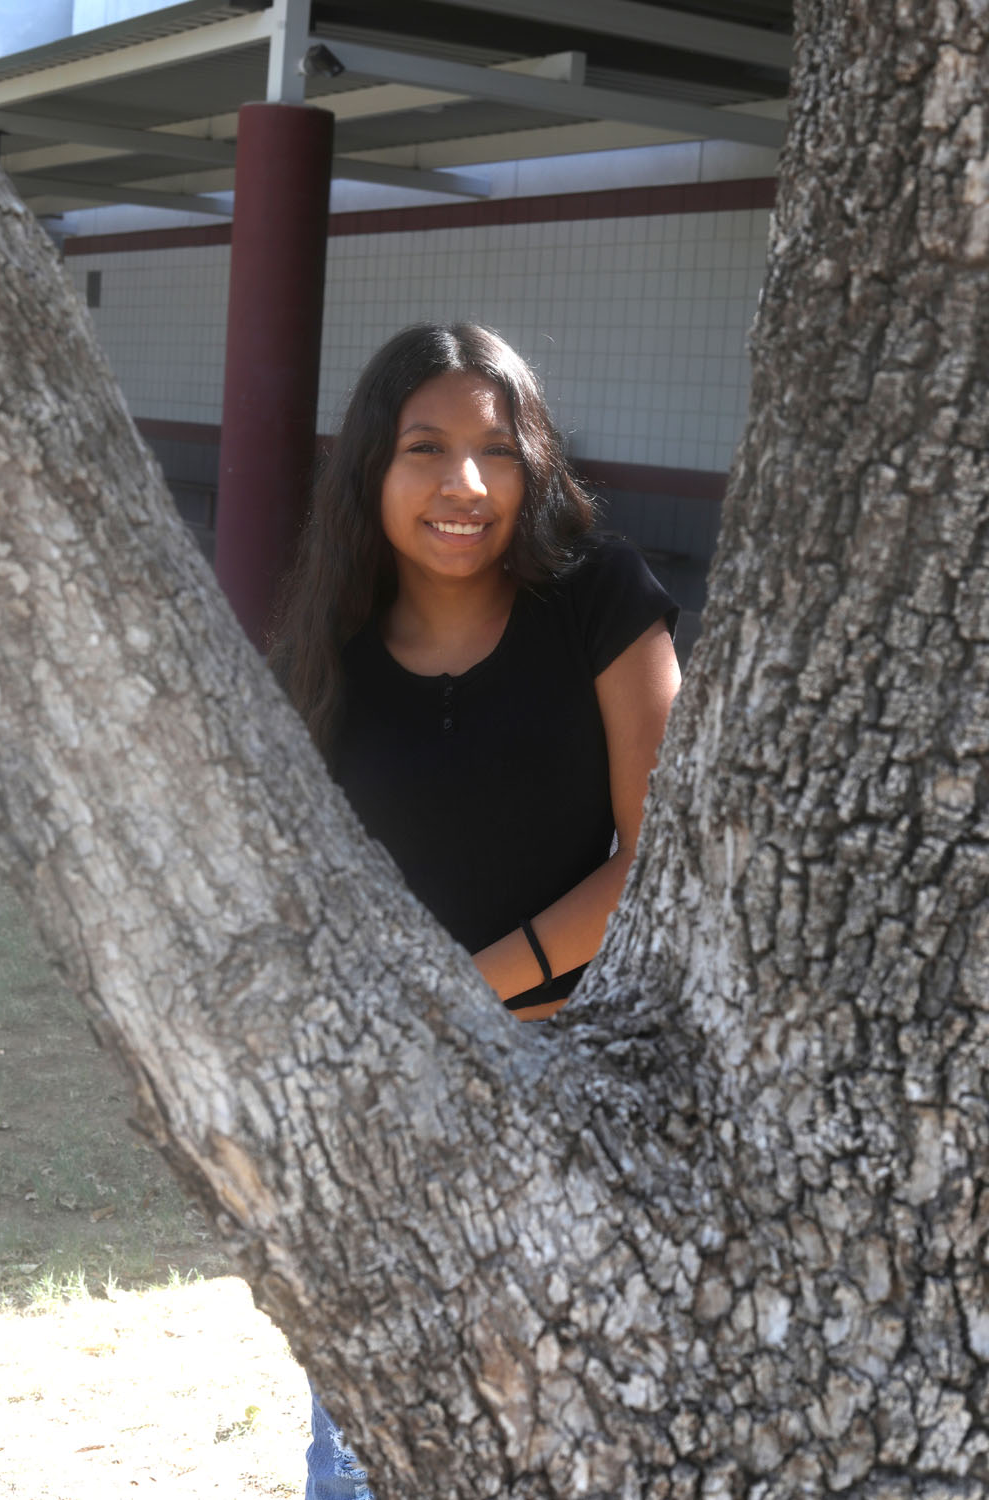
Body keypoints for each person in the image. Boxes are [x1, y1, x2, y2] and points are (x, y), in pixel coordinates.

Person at [270, 322, 681, 1497]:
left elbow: (666, 861)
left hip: (572, 1091)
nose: (463, 484)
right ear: (370, 471)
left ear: (533, 465)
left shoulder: (598, 595)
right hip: (384, 1106)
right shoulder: (329, 644)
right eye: (424, 447)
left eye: (496, 451)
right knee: (363, 1449)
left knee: (558, 1442)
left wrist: (466, 998)